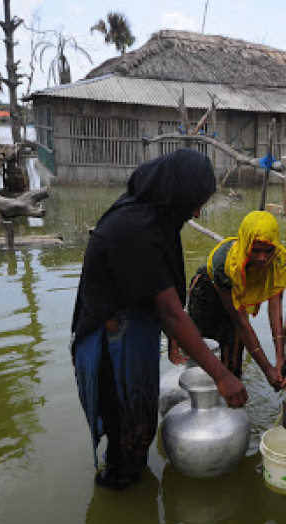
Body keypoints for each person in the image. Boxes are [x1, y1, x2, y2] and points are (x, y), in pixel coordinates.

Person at [71, 148, 247, 490]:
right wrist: (223, 376)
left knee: (139, 425)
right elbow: (170, 311)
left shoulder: (154, 217)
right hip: (111, 343)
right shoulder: (133, 226)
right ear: (176, 192)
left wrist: (173, 337)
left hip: (134, 331)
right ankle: (120, 503)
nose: (196, 212)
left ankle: (130, 489)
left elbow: (159, 288)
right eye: (195, 202)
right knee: (128, 430)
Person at [171, 210, 286, 391]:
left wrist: (280, 360)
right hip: (207, 300)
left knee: (233, 366)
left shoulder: (277, 262)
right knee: (205, 362)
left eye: (268, 251)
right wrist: (267, 369)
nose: (262, 258)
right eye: (256, 250)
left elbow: (275, 311)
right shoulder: (226, 265)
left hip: (236, 305)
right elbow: (241, 322)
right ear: (246, 245)